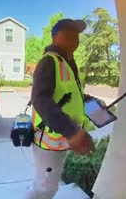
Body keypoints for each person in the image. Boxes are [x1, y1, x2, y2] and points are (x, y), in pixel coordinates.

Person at [26, 18, 95, 199]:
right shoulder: (49, 62)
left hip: (61, 138)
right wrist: (72, 131)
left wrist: (91, 102)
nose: (75, 39)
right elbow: (40, 99)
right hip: (49, 140)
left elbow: (69, 93)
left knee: (47, 184)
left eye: (77, 35)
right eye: (69, 33)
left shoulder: (68, 63)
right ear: (56, 37)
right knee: (45, 189)